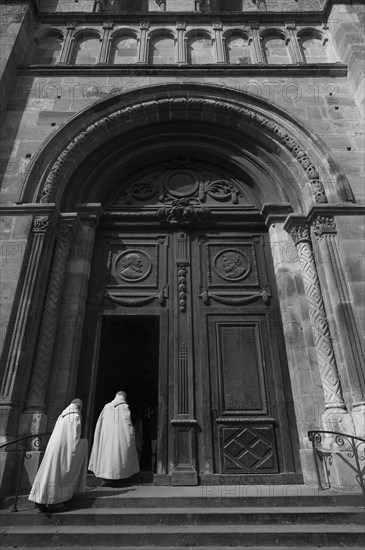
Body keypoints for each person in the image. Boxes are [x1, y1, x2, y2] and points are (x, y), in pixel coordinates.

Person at [28, 399, 88, 513]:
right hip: (64, 450)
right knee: (59, 474)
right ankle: (55, 503)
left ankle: (40, 497)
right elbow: (74, 439)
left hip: (53, 449)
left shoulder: (62, 416)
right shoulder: (75, 417)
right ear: (80, 406)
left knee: (48, 473)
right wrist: (84, 443)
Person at [88, 391, 140, 486]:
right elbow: (128, 425)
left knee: (107, 456)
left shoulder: (106, 407)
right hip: (120, 438)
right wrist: (131, 433)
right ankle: (119, 477)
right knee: (119, 456)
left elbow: (99, 424)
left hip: (107, 438)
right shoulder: (125, 407)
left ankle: (106, 477)